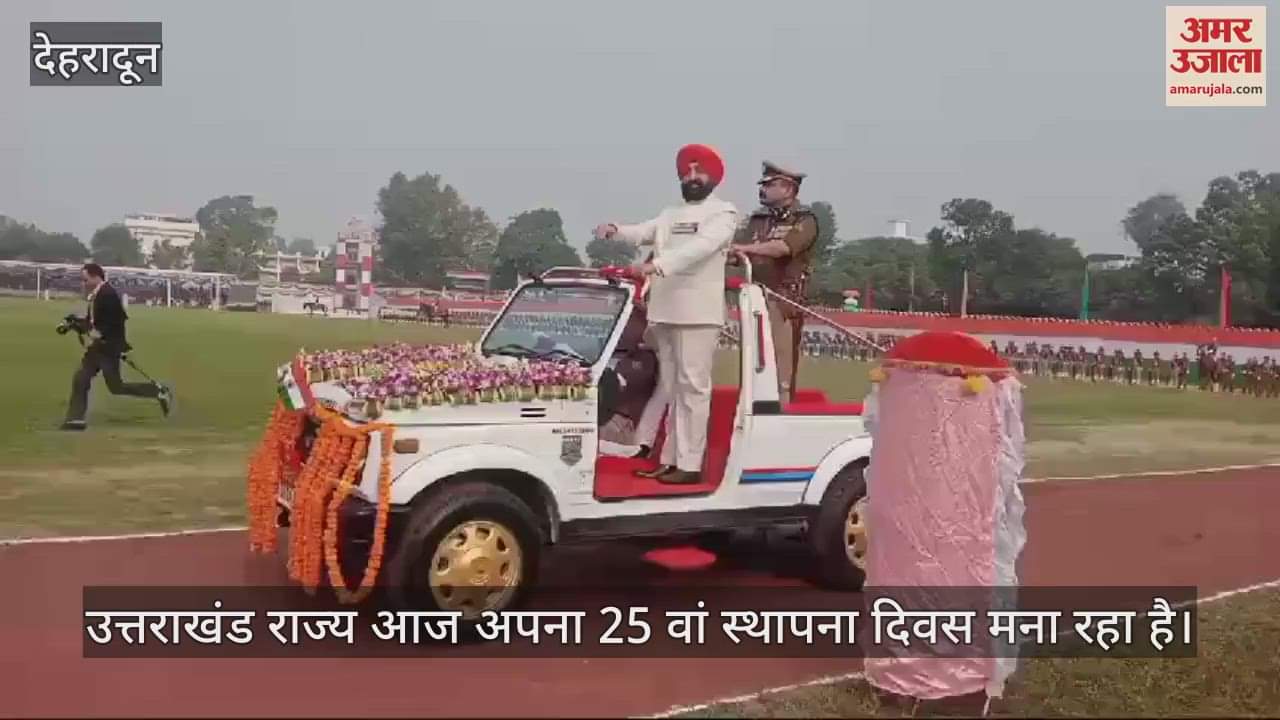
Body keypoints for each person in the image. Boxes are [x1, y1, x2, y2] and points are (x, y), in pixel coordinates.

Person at [593, 143, 738, 484]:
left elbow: (699, 249)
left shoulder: (723, 213)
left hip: (697, 313)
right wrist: (617, 229)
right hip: (665, 310)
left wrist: (655, 266)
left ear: (713, 178)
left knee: (693, 388)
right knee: (672, 389)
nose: (692, 177)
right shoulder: (671, 213)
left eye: (699, 171)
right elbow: (644, 231)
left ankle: (690, 464)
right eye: (687, 172)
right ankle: (670, 459)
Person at [733, 161, 818, 402]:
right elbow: (739, 251)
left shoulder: (804, 220)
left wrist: (745, 249)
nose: (762, 189)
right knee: (753, 361)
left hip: (783, 301)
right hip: (754, 298)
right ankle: (751, 407)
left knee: (781, 364)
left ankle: (782, 409)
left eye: (770, 185)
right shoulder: (759, 219)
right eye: (763, 184)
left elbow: (783, 248)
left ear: (788, 189)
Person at [62, 263, 172, 431]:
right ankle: (75, 419)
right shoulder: (99, 293)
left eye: (85, 280)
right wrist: (75, 323)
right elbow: (95, 322)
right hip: (99, 347)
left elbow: (117, 320)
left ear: (96, 277)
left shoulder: (108, 294)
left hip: (107, 349)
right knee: (87, 380)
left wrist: (105, 337)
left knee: (110, 385)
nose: (83, 283)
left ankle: (158, 392)